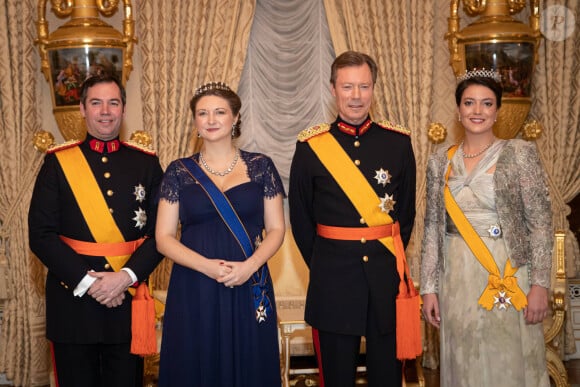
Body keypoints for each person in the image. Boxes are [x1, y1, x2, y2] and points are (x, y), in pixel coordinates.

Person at [289, 51, 419, 387]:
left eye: (364, 86)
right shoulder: (310, 146)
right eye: (348, 87)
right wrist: (323, 262)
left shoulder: (398, 142)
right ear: (333, 88)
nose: (356, 96)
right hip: (333, 279)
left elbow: (405, 214)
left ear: (374, 88)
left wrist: (385, 256)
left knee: (387, 377)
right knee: (336, 378)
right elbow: (301, 218)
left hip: (384, 276)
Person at [28, 74, 164, 387]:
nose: (105, 110)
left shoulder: (146, 163)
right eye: (96, 103)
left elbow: (161, 234)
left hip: (126, 300)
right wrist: (90, 282)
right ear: (82, 109)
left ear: (124, 110)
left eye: (113, 102)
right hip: (72, 304)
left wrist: (124, 277)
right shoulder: (57, 163)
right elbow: (41, 235)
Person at [420, 69, 551, 386]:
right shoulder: (441, 161)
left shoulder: (519, 154)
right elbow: (433, 226)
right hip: (456, 277)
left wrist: (541, 285)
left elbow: (541, 224)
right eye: (469, 103)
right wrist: (428, 288)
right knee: (465, 360)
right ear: (458, 110)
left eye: (486, 103)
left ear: (497, 111)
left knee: (507, 359)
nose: (477, 111)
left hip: (507, 272)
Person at [156, 82, 286, 387]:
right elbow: (163, 237)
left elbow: (277, 229)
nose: (211, 120)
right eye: (203, 113)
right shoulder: (178, 171)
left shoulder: (261, 167)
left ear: (236, 117)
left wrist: (248, 267)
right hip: (194, 283)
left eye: (219, 112)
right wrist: (209, 267)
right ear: (195, 122)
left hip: (249, 281)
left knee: (250, 363)